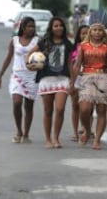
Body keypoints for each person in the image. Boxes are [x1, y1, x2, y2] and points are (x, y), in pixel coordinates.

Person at [26, 17, 74, 149]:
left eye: (61, 26)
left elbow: (70, 63)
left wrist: (72, 81)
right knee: (48, 110)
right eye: (56, 26)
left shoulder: (67, 43)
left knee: (60, 109)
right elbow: (29, 54)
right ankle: (48, 139)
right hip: (46, 80)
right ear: (51, 28)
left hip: (62, 79)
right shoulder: (44, 42)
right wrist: (29, 65)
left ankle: (56, 138)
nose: (59, 28)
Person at [71, 21, 107, 150]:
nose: (97, 32)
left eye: (100, 30)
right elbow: (77, 64)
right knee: (84, 109)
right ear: (90, 32)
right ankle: (87, 129)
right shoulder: (83, 46)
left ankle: (97, 140)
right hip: (86, 77)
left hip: (103, 78)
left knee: (102, 111)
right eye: (94, 30)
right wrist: (72, 82)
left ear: (103, 33)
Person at [0, 16, 39, 143]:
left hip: (32, 76)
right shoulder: (14, 40)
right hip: (17, 75)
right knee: (17, 103)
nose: (31, 29)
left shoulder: (38, 41)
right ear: (22, 27)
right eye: (28, 26)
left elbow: (43, 57)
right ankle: (18, 131)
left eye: (33, 26)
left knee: (29, 107)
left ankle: (26, 134)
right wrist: (0, 76)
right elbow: (8, 58)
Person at [70, 25, 89, 142]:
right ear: (79, 35)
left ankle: (85, 128)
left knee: (87, 108)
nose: (85, 36)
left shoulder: (94, 48)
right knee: (75, 106)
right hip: (76, 78)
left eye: (87, 33)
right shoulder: (74, 48)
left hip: (89, 79)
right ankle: (74, 131)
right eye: (83, 33)